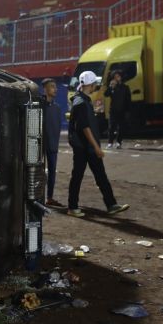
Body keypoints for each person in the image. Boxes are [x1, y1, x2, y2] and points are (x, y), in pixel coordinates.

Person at [67, 71, 130, 218]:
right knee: (79, 176)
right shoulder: (81, 102)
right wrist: (96, 147)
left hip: (86, 146)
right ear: (90, 84)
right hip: (84, 147)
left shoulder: (81, 100)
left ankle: (111, 204)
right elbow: (84, 127)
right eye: (95, 83)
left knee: (99, 175)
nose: (96, 85)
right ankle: (72, 207)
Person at [40, 78, 64, 207]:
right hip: (40, 146)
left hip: (53, 145)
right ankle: (38, 197)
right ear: (45, 89)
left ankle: (49, 197)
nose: (55, 89)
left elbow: (57, 127)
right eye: (52, 86)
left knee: (52, 172)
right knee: (38, 172)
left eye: (55, 86)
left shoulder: (57, 108)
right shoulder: (39, 105)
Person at [104, 70, 131, 148]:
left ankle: (119, 142)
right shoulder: (112, 87)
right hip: (113, 110)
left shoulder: (125, 87)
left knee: (121, 127)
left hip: (122, 110)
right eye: (115, 77)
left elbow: (128, 100)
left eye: (118, 76)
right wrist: (110, 87)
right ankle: (110, 142)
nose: (117, 78)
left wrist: (128, 111)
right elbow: (106, 94)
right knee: (111, 126)